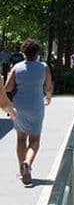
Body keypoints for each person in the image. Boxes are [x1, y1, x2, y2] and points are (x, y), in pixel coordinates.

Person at [4, 38, 52, 186]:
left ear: (23, 53)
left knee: (20, 139)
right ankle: (28, 164)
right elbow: (48, 87)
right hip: (36, 105)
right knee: (34, 140)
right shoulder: (44, 67)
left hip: (19, 106)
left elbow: (7, 88)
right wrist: (48, 98)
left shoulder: (17, 67)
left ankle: (21, 169)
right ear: (38, 53)